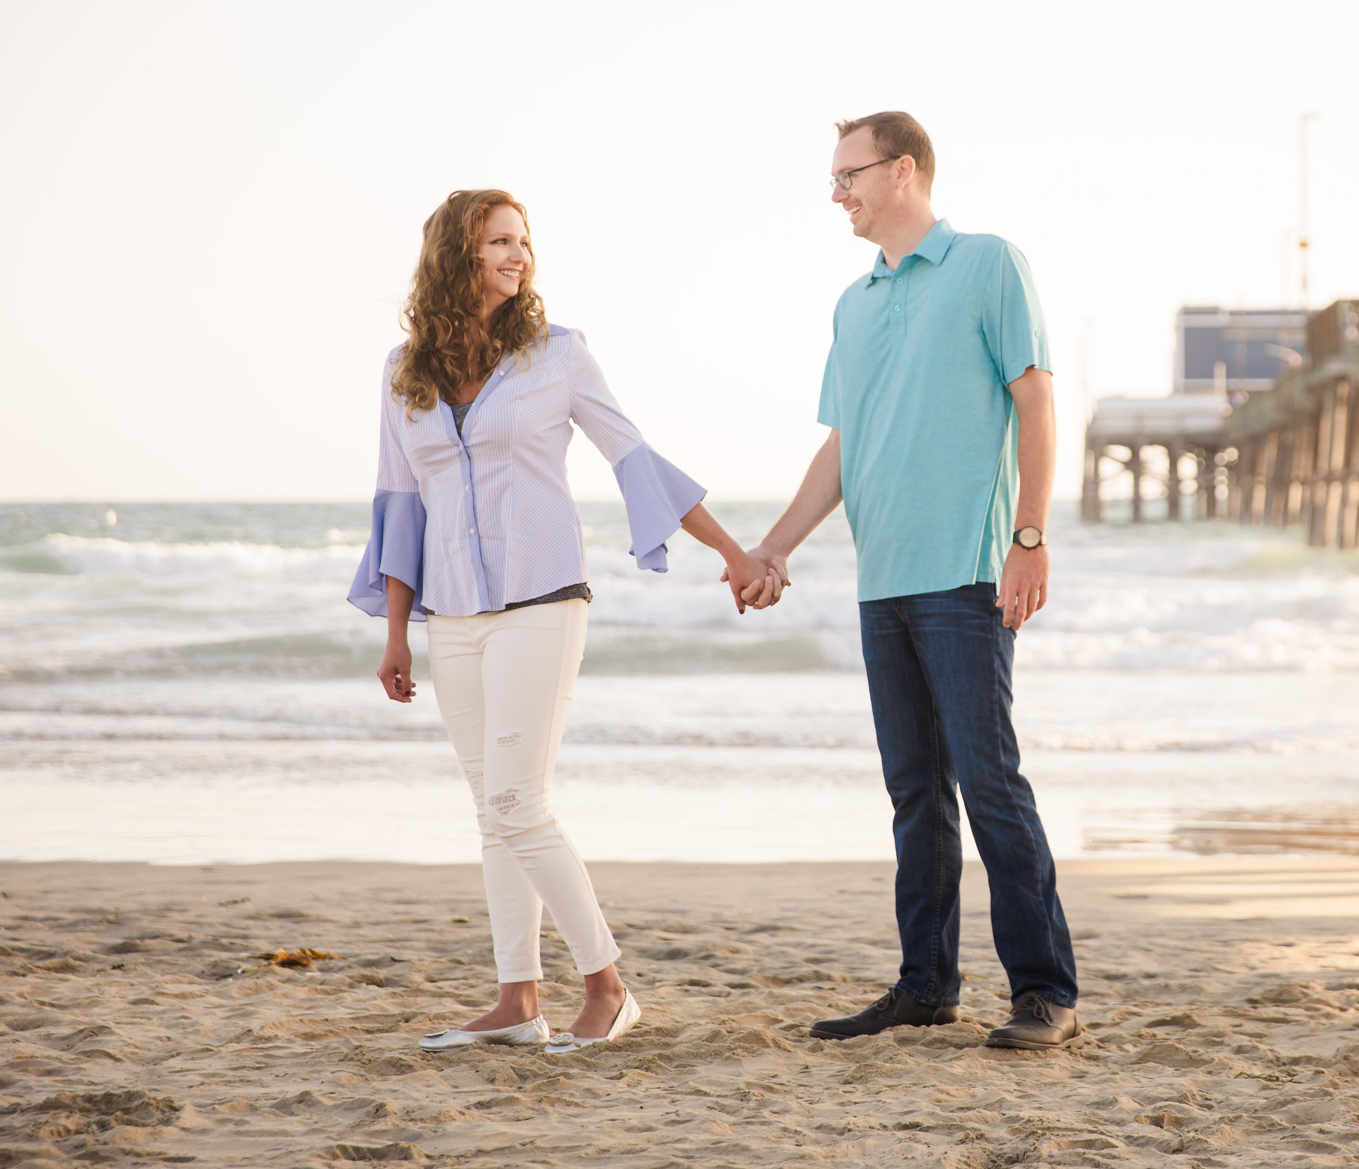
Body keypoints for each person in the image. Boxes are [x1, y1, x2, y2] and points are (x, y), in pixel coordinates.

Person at [348, 189, 770, 1055]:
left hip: (542, 602)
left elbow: (633, 455)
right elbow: (400, 508)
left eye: (524, 241)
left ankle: (609, 988)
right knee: (489, 808)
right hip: (451, 614)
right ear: (455, 255)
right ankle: (517, 999)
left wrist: (731, 551)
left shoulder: (558, 354)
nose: (519, 255)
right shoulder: (405, 370)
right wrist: (394, 631)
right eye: (500, 241)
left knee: (516, 801)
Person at [741, 112, 1081, 1050]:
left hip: (966, 569)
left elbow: (1037, 399)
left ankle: (1046, 990)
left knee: (989, 781)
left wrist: (1030, 535)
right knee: (915, 791)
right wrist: (775, 547)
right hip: (880, 575)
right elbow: (844, 445)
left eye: (849, 175)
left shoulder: (988, 264)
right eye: (834, 178)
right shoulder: (853, 302)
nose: (838, 194)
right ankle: (927, 984)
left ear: (902, 171)